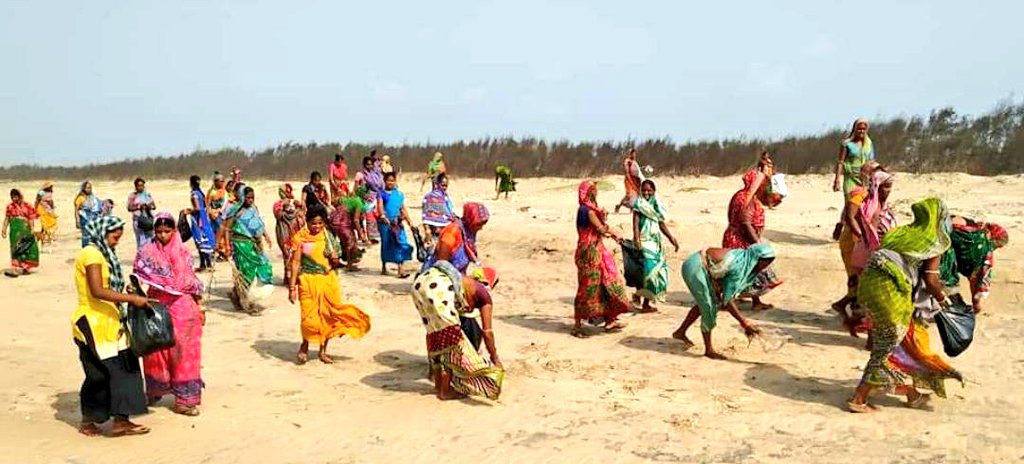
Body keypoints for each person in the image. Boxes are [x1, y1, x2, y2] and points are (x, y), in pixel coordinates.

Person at [848, 198, 963, 413]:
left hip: (870, 284)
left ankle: (912, 394)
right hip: (891, 290)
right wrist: (944, 302)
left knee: (892, 342)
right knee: (887, 345)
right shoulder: (932, 240)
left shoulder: (901, 233)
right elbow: (931, 281)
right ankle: (859, 398)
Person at [72, 216, 151, 437]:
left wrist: (127, 294)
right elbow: (97, 290)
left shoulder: (105, 254)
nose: (116, 242)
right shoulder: (91, 254)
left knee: (125, 368)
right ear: (103, 232)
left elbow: (109, 287)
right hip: (93, 322)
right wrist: (132, 300)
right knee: (98, 373)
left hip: (111, 320)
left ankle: (121, 419)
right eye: (115, 237)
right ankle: (90, 419)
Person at [133, 213, 205, 416]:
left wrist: (201, 308)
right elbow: (137, 278)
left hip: (183, 308)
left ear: (174, 231)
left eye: (167, 231)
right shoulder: (146, 252)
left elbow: (191, 282)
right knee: (155, 348)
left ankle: (184, 399)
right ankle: (156, 389)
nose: (163, 235)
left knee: (183, 352)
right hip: (156, 305)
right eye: (159, 232)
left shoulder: (183, 253)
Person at [288, 207, 371, 364]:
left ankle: (323, 350)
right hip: (308, 281)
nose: (317, 227)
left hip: (328, 280)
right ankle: (304, 345)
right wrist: (292, 288)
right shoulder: (300, 238)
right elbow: (296, 262)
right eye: (313, 223)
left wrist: (335, 257)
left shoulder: (328, 237)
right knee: (308, 318)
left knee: (328, 316)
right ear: (307, 222)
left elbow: (339, 259)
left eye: (320, 223)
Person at [411, 260, 504, 400]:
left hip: (420, 284)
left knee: (435, 335)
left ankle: (438, 384)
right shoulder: (485, 296)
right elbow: (487, 332)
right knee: (450, 340)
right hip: (438, 289)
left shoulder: (464, 282)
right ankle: (445, 390)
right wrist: (494, 358)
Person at [672, 244, 776, 359]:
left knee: (707, 302)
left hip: (705, 266)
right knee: (709, 307)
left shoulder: (745, 259)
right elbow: (727, 301)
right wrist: (745, 323)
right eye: (765, 262)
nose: (766, 265)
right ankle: (709, 350)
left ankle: (680, 332)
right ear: (757, 258)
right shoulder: (739, 267)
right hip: (695, 267)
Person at [833, 163, 896, 335]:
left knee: (862, 284)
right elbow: (849, 215)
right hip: (853, 241)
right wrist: (863, 237)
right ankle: (857, 317)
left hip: (863, 242)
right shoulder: (861, 192)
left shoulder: (875, 197)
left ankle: (856, 316)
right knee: (858, 281)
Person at [721, 160, 784, 311]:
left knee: (751, 270)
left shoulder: (743, 195)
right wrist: (757, 243)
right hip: (741, 239)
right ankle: (729, 299)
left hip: (739, 236)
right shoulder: (745, 198)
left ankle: (754, 299)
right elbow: (745, 222)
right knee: (744, 269)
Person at [573, 180, 630, 337]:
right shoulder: (587, 211)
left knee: (606, 283)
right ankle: (577, 325)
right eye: (594, 189)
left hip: (596, 249)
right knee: (587, 288)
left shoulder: (590, 209)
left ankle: (610, 319)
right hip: (590, 252)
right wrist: (613, 231)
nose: (596, 192)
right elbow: (600, 228)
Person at [219, 186, 274, 314]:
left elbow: (258, 223)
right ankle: (247, 302)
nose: (250, 200)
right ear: (242, 197)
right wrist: (226, 245)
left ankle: (236, 294)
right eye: (248, 197)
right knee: (245, 273)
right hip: (240, 245)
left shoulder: (254, 208)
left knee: (262, 267)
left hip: (254, 244)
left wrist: (266, 236)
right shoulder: (235, 211)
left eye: (252, 198)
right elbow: (227, 229)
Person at [629, 180, 679, 312]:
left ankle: (645, 303)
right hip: (644, 241)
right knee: (647, 270)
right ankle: (638, 295)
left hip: (655, 242)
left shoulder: (657, 205)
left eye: (649, 190)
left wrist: (671, 238)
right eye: (644, 190)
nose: (646, 193)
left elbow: (661, 223)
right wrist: (636, 238)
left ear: (653, 191)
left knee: (656, 273)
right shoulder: (639, 204)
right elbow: (635, 221)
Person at [941, 216, 1009, 314]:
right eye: (996, 246)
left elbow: (951, 220)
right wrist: (976, 303)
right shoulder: (985, 253)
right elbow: (978, 280)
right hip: (942, 268)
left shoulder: (973, 225)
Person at [832, 118, 875, 240]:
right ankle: (847, 229)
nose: (861, 131)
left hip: (863, 178)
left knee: (861, 204)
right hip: (850, 178)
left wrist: (873, 176)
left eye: (864, 129)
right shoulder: (846, 144)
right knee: (850, 203)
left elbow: (871, 161)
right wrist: (837, 180)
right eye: (859, 128)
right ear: (854, 129)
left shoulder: (869, 144)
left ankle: (844, 225)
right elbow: (840, 162)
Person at [423, 202, 489, 274]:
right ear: (470, 219)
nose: (481, 228)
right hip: (439, 276)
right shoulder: (451, 233)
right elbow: (441, 264)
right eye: (478, 225)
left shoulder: (468, 232)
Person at [376, 172, 415, 277]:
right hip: (385, 224)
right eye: (388, 180)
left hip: (397, 223)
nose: (390, 182)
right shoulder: (381, 194)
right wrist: (383, 216)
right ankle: (384, 267)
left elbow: (403, 209)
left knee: (401, 243)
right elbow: (380, 206)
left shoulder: (398, 194)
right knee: (386, 244)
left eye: (392, 180)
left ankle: (400, 269)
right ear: (384, 181)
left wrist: (409, 221)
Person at [3, 189, 39, 276]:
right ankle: (14, 269)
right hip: (14, 231)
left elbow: (30, 218)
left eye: (15, 196)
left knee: (26, 247)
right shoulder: (10, 207)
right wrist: (4, 229)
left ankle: (25, 268)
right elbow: (7, 218)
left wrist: (32, 229)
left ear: (19, 196)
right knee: (15, 248)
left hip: (25, 229)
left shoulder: (27, 206)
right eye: (12, 197)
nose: (13, 198)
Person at [188, 175, 217, 271]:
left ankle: (203, 264)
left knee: (199, 240)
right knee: (205, 239)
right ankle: (207, 263)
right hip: (204, 218)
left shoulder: (194, 194)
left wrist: (188, 211)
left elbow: (197, 208)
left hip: (198, 219)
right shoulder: (200, 193)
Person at [354, 156, 385, 242]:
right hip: (364, 199)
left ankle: (373, 237)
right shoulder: (360, 175)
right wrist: (363, 195)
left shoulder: (376, 174)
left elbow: (380, 185)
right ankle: (367, 238)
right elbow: (356, 189)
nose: (370, 166)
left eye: (371, 164)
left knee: (375, 218)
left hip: (375, 198)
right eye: (368, 164)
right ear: (364, 165)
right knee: (366, 219)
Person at [275, 196, 304, 284]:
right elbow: (277, 215)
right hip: (284, 235)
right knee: (287, 255)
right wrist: (283, 203)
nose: (287, 193)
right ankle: (288, 277)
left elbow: (303, 217)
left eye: (289, 191)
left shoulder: (295, 203)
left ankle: (295, 276)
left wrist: (299, 206)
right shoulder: (278, 205)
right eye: (285, 191)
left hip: (295, 234)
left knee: (297, 255)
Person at [422, 173, 457, 239]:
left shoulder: (445, 197)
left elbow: (448, 212)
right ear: (437, 184)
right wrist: (427, 229)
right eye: (443, 185)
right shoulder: (429, 196)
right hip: (434, 230)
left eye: (446, 186)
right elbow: (426, 215)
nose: (444, 188)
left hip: (446, 228)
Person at [126, 178, 157, 249]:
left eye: (142, 185)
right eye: (139, 186)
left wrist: (149, 206)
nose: (141, 187)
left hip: (148, 220)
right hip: (138, 221)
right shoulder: (132, 196)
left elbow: (154, 206)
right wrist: (138, 207)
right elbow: (129, 208)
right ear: (135, 187)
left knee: (150, 239)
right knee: (140, 240)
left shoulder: (147, 195)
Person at [615, 148, 645, 214]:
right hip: (629, 180)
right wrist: (631, 182)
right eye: (632, 153)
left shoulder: (635, 162)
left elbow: (638, 172)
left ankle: (632, 209)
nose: (634, 155)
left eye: (634, 153)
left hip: (636, 180)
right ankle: (619, 205)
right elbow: (627, 173)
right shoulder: (627, 161)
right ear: (630, 154)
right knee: (629, 195)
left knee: (636, 194)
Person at [75, 181, 104, 247]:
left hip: (93, 219)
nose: (89, 189)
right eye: (87, 188)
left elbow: (98, 206)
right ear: (83, 188)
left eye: (90, 188)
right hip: (84, 219)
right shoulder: (80, 198)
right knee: (86, 236)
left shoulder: (93, 197)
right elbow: (76, 210)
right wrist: (77, 220)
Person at [35, 182, 58, 247]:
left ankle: (44, 237)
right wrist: (35, 209)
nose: (51, 188)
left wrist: (53, 208)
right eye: (50, 187)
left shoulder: (50, 193)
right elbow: (37, 200)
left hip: (48, 209)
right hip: (42, 209)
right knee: (44, 224)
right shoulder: (41, 192)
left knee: (51, 223)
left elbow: (51, 201)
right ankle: (44, 239)